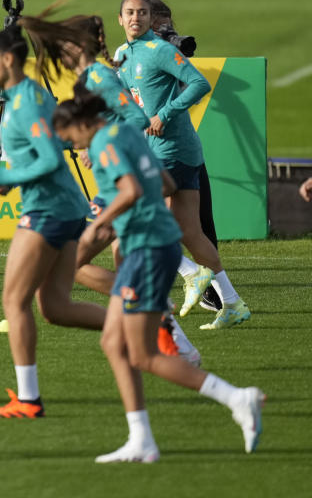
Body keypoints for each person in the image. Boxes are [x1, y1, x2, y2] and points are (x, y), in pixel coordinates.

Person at [53, 86, 265, 463]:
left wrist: (97, 226)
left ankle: (236, 397)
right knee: (113, 344)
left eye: (72, 142)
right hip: (158, 245)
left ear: (83, 125)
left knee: (145, 355)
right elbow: (165, 184)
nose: (76, 151)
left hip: (146, 251)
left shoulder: (104, 143)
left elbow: (131, 190)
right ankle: (142, 439)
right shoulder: (127, 134)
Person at [27, 13, 199, 365]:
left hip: (120, 189)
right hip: (117, 184)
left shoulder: (99, 77)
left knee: (72, 264)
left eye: (64, 43)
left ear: (78, 46)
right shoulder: (89, 79)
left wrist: (101, 141)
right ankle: (168, 333)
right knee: (119, 268)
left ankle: (156, 316)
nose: (59, 50)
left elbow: (135, 119)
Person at [0, 21, 106, 420]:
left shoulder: (26, 102)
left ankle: (29, 400)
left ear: (8, 59)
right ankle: (146, 320)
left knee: (14, 301)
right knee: (55, 307)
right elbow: (62, 142)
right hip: (66, 209)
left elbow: (50, 158)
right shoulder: (29, 96)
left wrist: (8, 176)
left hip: (48, 211)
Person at [115, 0, 250, 330]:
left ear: (150, 19)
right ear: (120, 19)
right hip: (173, 152)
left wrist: (163, 114)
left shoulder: (158, 51)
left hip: (171, 151)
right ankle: (232, 302)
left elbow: (199, 83)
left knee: (136, 220)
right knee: (190, 230)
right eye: (129, 13)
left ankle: (191, 275)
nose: (135, 18)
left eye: (142, 13)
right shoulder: (123, 56)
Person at [148, 0, 222, 313]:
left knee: (194, 225)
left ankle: (207, 287)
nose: (164, 32)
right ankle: (220, 294)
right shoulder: (131, 58)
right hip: (161, 149)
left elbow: (195, 85)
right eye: (158, 26)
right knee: (176, 224)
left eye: (167, 26)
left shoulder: (168, 56)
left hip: (177, 149)